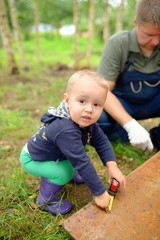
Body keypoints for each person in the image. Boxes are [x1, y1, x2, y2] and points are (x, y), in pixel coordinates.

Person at [20, 70, 126, 216]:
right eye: (82, 101)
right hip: (33, 159)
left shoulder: (84, 120)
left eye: (97, 104)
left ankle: (67, 172)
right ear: (67, 100)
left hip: (55, 154)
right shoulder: (65, 129)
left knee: (72, 162)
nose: (89, 109)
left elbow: (101, 140)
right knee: (64, 172)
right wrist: (100, 193)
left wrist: (112, 165)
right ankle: (45, 200)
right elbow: (81, 161)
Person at [97, 0, 160, 151]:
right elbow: (102, 90)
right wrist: (131, 125)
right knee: (97, 119)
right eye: (150, 35)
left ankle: (156, 136)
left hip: (154, 103)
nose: (156, 41)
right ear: (136, 22)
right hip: (124, 105)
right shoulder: (118, 44)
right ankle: (125, 134)